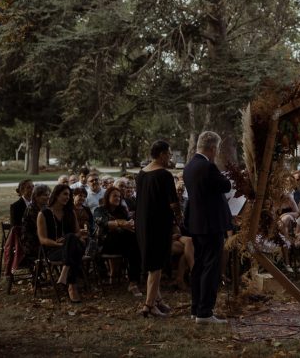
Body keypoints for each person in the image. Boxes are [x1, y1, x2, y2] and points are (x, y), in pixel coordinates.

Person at [183, 131, 231, 324]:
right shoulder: (208, 167)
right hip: (211, 224)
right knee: (211, 267)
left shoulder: (189, 166)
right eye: (217, 149)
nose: (217, 152)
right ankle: (205, 312)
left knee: (199, 266)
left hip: (196, 223)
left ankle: (196, 309)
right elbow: (226, 185)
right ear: (212, 148)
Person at [136, 140, 182, 318]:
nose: (170, 157)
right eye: (169, 153)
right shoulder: (164, 175)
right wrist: (179, 218)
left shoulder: (141, 174)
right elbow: (173, 203)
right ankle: (148, 306)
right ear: (162, 154)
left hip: (142, 223)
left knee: (151, 263)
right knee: (156, 265)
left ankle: (158, 300)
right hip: (158, 224)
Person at [37, 184, 87, 303]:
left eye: (69, 195)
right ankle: (72, 286)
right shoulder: (43, 214)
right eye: (65, 194)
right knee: (75, 251)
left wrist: (67, 240)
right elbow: (42, 239)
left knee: (70, 237)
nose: (67, 197)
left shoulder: (70, 212)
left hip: (72, 246)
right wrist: (57, 243)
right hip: (54, 250)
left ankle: (65, 272)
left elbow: (78, 233)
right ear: (56, 195)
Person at [94, 186, 142, 296]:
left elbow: (128, 225)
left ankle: (133, 283)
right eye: (114, 196)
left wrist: (124, 224)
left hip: (122, 243)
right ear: (107, 197)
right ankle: (133, 282)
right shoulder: (99, 210)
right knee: (131, 241)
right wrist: (120, 223)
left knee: (134, 244)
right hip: (105, 243)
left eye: (119, 196)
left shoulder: (122, 211)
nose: (118, 198)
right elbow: (103, 223)